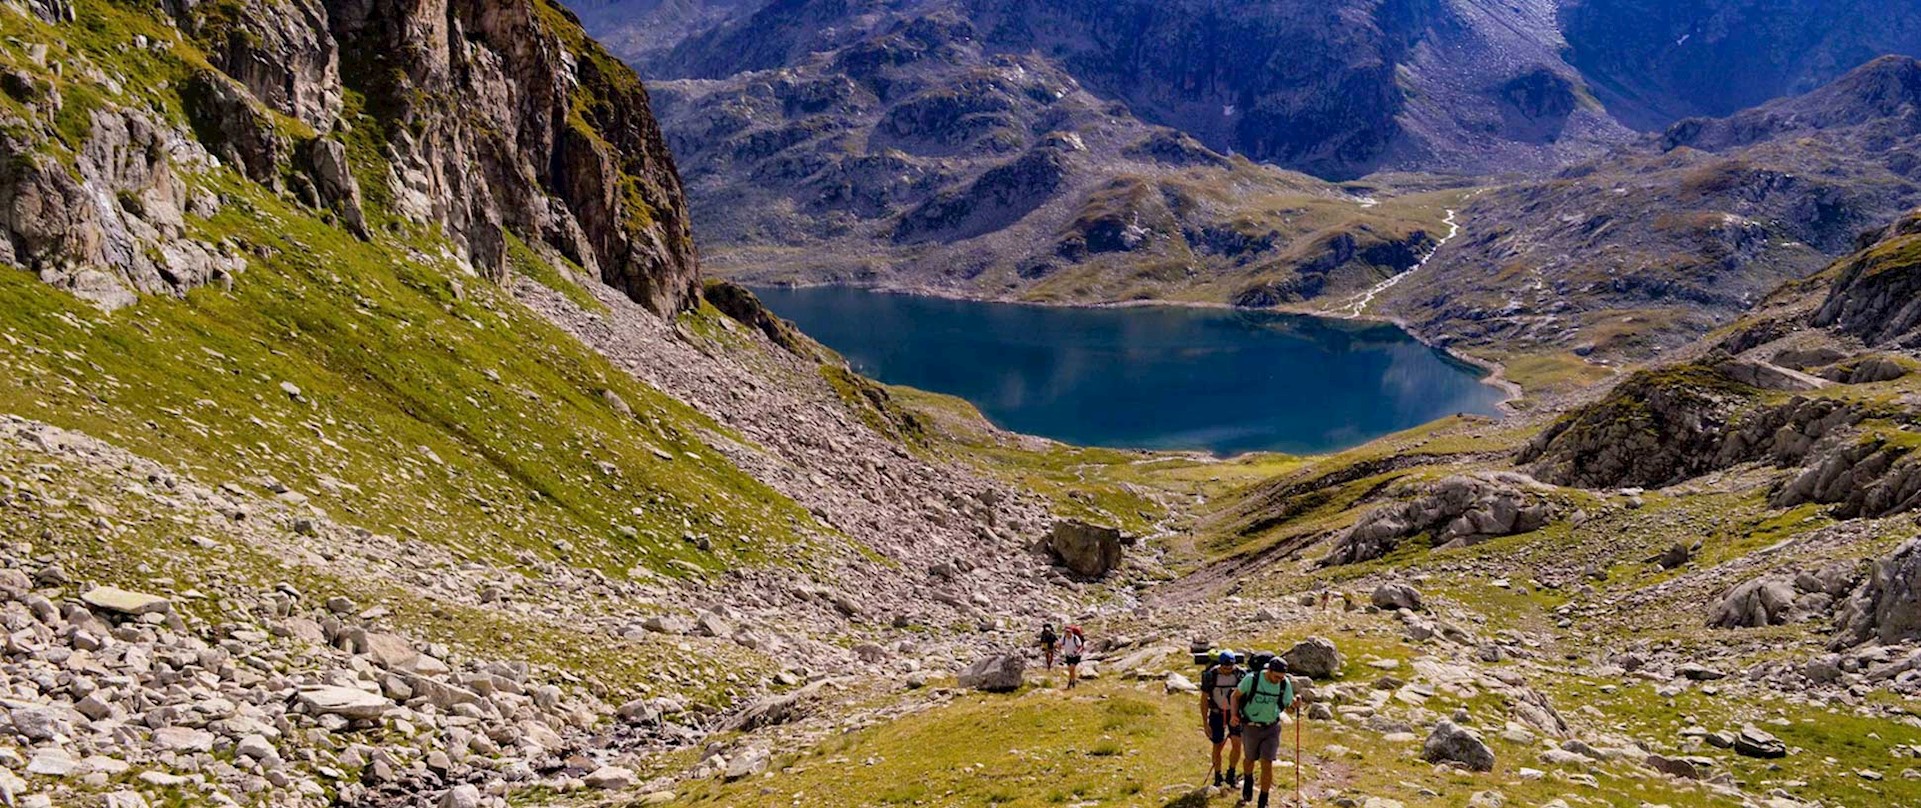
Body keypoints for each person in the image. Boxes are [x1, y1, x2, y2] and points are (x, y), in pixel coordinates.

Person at [1231, 655, 1295, 808]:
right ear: (1269, 670)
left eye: (1281, 677)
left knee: (1267, 763)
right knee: (1249, 760)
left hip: (1272, 727)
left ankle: (1263, 800)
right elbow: (1235, 696)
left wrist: (1295, 706)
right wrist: (1234, 715)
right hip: (1250, 726)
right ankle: (1248, 780)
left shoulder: (1284, 684)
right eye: (1276, 676)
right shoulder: (1251, 679)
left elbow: (1289, 708)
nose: (1278, 680)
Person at [1200, 650, 1245, 788]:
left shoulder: (1240, 675)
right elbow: (1204, 700)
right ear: (1220, 665)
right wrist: (1205, 723)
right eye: (1225, 668)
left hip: (1235, 713)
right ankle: (1218, 776)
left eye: (1230, 667)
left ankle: (1231, 773)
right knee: (1217, 745)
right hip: (1216, 714)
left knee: (1237, 743)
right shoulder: (1210, 676)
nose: (1228, 670)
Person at [1061, 625, 1086, 689]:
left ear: (1071, 632)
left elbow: (1080, 647)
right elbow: (1061, 644)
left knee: (1071, 668)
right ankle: (1073, 681)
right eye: (1066, 632)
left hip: (1076, 656)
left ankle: (1070, 682)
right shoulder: (1063, 638)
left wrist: (1078, 652)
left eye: (1068, 632)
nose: (1067, 633)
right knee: (1071, 670)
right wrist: (1058, 646)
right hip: (1068, 655)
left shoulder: (1075, 638)